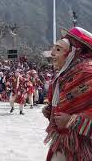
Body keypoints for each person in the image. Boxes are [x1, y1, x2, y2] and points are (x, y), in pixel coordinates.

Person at [42, 27, 92, 161]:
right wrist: (51, 110)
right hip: (64, 143)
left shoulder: (87, 73)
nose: (52, 53)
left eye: (58, 50)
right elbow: (65, 102)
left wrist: (71, 120)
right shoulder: (64, 74)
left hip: (81, 145)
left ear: (75, 52)